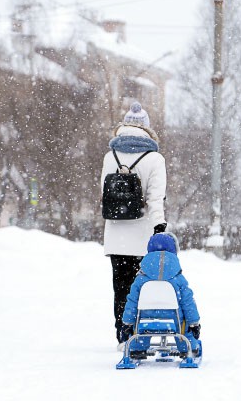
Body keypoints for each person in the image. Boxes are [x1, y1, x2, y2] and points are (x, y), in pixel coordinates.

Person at [101, 101, 167, 347]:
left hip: (116, 234)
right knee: (143, 287)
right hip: (142, 235)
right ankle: (139, 329)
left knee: (121, 287)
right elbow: (155, 199)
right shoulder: (154, 158)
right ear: (146, 129)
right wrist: (159, 228)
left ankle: (122, 334)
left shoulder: (111, 156)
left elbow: (104, 193)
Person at [121, 232, 201, 357]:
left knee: (138, 323)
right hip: (174, 315)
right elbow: (188, 301)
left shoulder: (141, 278)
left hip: (146, 315)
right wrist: (194, 323)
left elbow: (132, 301)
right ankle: (187, 347)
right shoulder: (178, 277)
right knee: (184, 324)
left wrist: (127, 323)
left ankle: (137, 347)